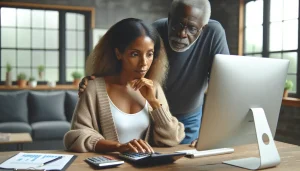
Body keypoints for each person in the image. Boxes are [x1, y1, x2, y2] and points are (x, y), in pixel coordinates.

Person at [79, 0, 230, 145]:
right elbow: (128, 67)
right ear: (169, 17)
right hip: (151, 111)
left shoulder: (214, 33)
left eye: (191, 28)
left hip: (188, 115)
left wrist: (211, 134)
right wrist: (98, 81)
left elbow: (223, 86)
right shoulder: (153, 31)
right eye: (177, 24)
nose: (182, 33)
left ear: (203, 28)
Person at [64, 18, 185, 153]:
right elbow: (76, 136)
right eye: (135, 54)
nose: (144, 63)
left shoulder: (154, 88)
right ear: (118, 53)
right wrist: (119, 147)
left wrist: (154, 103)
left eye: (149, 54)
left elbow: (173, 138)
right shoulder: (94, 88)